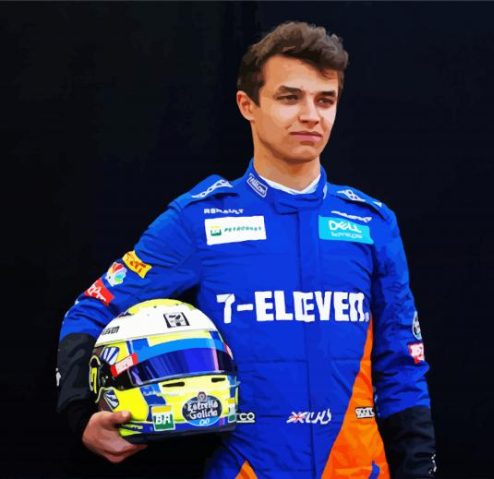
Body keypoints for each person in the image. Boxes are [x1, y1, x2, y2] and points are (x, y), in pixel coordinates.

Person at [56, 21, 436, 478]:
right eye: (290, 97)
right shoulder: (197, 220)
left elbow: (403, 366)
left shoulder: (372, 223)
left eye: (325, 100)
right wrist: (80, 413)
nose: (311, 115)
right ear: (247, 105)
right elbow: (90, 311)